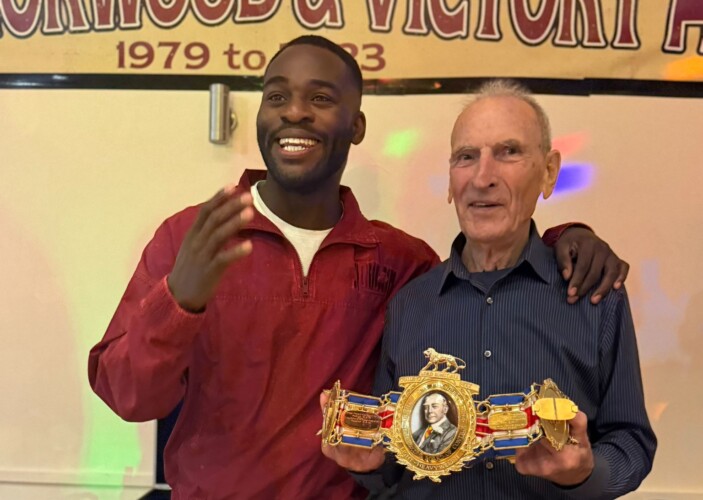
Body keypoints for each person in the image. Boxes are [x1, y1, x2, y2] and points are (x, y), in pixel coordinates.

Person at [88, 37, 629, 500]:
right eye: (276, 96)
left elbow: (486, 265)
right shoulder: (192, 237)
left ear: (357, 125)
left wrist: (564, 237)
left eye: (320, 98)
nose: (294, 112)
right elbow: (128, 398)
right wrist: (179, 303)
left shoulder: (400, 262)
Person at [321, 80, 656, 499]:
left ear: (549, 172)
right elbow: (394, 454)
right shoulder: (410, 303)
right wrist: (371, 465)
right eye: (466, 157)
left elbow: (632, 442)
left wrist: (583, 473)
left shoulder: (595, 295)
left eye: (508, 152)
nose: (482, 178)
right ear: (450, 181)